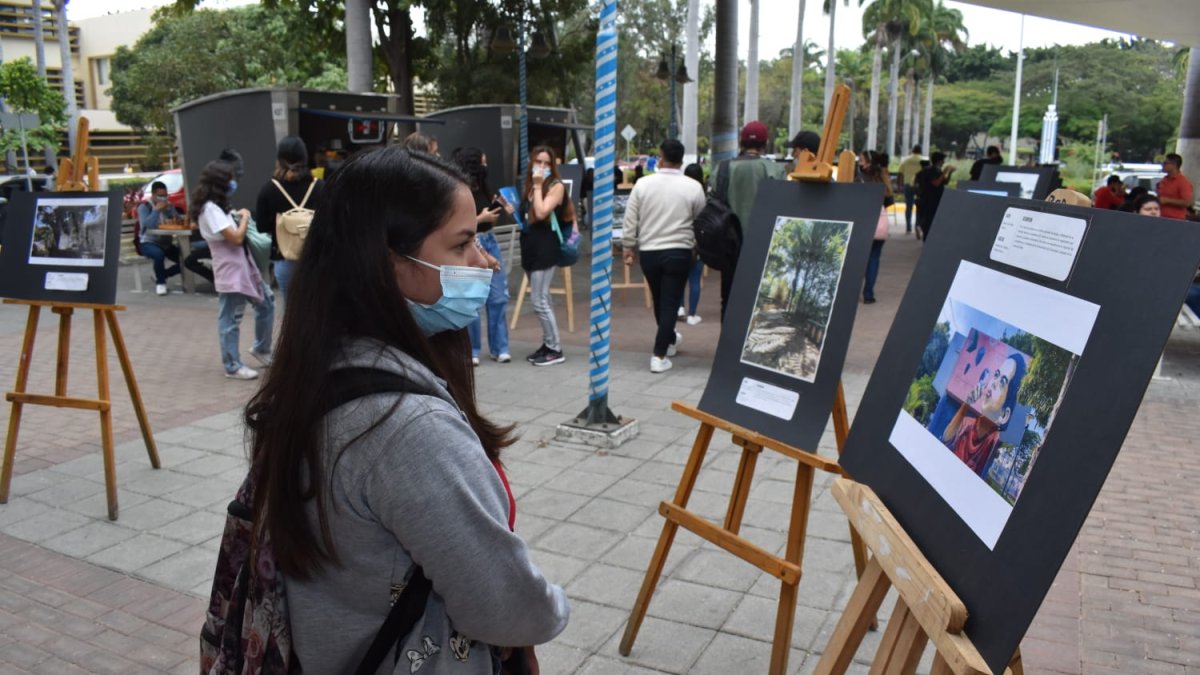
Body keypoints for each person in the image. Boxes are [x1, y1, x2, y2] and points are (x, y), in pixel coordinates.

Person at [242, 146, 569, 673]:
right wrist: (554, 608)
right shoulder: (405, 429)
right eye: (462, 245)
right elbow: (504, 606)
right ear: (389, 264)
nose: (484, 261)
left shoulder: (320, 368)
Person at [622, 139, 706, 373]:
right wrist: (698, 247)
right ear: (682, 160)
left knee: (661, 300)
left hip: (649, 251)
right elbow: (701, 222)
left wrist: (628, 246)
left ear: (660, 156)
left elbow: (631, 219)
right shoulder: (693, 187)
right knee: (670, 301)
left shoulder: (642, 184)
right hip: (680, 251)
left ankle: (668, 341)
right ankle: (659, 355)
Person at [191, 160, 274, 380]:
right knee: (231, 316)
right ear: (220, 182)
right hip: (231, 270)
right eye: (230, 178)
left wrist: (238, 216)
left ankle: (261, 348)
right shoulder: (210, 209)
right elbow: (236, 238)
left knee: (266, 302)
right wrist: (245, 218)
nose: (233, 182)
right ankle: (233, 365)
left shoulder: (216, 207)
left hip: (242, 267)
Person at [710, 120, 786, 320]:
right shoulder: (773, 170)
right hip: (763, 245)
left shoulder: (723, 168)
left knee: (728, 296)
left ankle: (727, 344)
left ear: (741, 143)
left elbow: (713, 201)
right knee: (760, 299)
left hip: (729, 245)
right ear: (765, 143)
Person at [452, 147, 511, 366]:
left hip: (489, 239)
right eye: (483, 162)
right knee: (473, 299)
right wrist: (481, 216)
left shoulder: (485, 187)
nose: (486, 166)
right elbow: (458, 225)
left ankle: (500, 347)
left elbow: (490, 221)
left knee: (498, 297)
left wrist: (494, 211)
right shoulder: (459, 190)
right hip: (470, 243)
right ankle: (473, 349)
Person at [519, 146, 572, 366]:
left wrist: (539, 185)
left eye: (546, 163)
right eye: (538, 162)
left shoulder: (555, 186)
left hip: (545, 248)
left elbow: (541, 212)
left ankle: (555, 348)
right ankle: (547, 343)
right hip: (530, 246)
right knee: (543, 298)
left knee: (540, 301)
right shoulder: (531, 187)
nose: (541, 167)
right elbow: (528, 215)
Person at [255, 136, 323, 303]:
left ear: (279, 159)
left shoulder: (269, 189)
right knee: (316, 310)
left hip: (284, 258)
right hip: (315, 260)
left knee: (291, 312)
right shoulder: (320, 187)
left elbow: (261, 226)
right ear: (306, 158)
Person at [941, 353, 1027, 477]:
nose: (993, 383)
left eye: (1002, 382)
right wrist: (967, 403)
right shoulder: (967, 423)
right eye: (996, 375)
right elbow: (946, 438)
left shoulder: (994, 440)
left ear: (1004, 415)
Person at [137, 181, 183, 296]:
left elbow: (177, 220)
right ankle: (160, 283)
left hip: (166, 242)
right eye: (160, 195)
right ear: (153, 195)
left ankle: (163, 274)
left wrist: (169, 210)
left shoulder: (169, 205)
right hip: (148, 242)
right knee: (158, 255)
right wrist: (156, 210)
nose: (163, 198)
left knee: (185, 260)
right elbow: (147, 224)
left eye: (165, 195)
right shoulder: (144, 207)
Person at [861, 151, 893, 305]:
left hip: (863, 222)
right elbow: (890, 200)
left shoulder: (860, 178)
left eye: (861, 160)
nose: (859, 163)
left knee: (859, 259)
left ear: (868, 162)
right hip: (880, 224)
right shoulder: (882, 178)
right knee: (874, 259)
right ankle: (868, 295)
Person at [679, 162, 707, 325]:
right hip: (697, 242)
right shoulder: (702, 193)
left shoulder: (680, 192)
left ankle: (680, 307)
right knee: (694, 279)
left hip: (681, 239)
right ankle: (692, 315)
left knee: (680, 278)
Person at [915, 152, 956, 241]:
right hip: (930, 200)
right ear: (939, 161)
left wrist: (949, 173)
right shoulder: (931, 170)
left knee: (932, 221)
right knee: (929, 222)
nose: (944, 163)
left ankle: (924, 232)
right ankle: (925, 237)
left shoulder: (937, 170)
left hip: (935, 200)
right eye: (943, 161)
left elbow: (944, 182)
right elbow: (936, 183)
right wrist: (945, 171)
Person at [1157, 153, 1194, 220]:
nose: (1162, 165)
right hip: (1161, 216)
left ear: (1174, 165)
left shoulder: (1183, 182)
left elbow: (1187, 202)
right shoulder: (1164, 180)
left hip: (1176, 218)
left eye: (1165, 163)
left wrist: (1167, 200)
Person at [898, 145, 924, 234]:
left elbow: (900, 174)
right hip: (920, 186)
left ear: (912, 151)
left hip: (907, 185)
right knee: (919, 207)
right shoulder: (924, 161)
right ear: (920, 151)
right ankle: (917, 225)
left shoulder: (906, 160)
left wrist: (899, 186)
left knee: (908, 206)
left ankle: (908, 227)